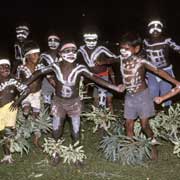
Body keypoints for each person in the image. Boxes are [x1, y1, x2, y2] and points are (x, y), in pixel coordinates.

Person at [22, 42, 123, 165]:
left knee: (76, 131)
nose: (71, 53)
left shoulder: (80, 68)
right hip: (59, 102)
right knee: (56, 130)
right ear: (60, 54)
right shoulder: (55, 66)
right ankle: (56, 153)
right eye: (67, 51)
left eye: (73, 51)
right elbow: (37, 73)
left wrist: (115, 87)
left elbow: (96, 78)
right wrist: (22, 84)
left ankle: (76, 154)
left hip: (74, 103)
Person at [96, 32, 180, 160]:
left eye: (127, 48)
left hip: (143, 96)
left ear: (136, 49)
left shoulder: (142, 61)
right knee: (128, 124)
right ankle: (130, 150)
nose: (123, 51)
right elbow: (112, 60)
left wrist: (176, 82)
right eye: (122, 48)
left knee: (144, 125)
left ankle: (153, 145)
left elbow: (158, 71)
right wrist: (102, 61)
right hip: (130, 96)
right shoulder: (122, 58)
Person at [78, 31, 117, 113]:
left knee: (102, 98)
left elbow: (116, 58)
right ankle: (98, 117)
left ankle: (102, 120)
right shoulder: (81, 49)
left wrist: (104, 62)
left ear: (97, 39)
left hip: (103, 76)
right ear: (84, 40)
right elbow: (73, 57)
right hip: (91, 77)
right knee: (95, 99)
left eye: (94, 40)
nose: (92, 42)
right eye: (89, 40)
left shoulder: (101, 49)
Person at [143, 19, 180, 108]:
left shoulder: (167, 41)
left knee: (165, 93)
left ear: (162, 29)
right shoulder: (145, 42)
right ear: (148, 30)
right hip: (151, 72)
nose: (155, 30)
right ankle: (152, 115)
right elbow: (142, 56)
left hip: (166, 71)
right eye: (152, 28)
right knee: (152, 92)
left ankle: (167, 114)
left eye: (158, 28)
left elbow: (178, 48)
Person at [0, 58, 29, 163]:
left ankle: (7, 156)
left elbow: (26, 90)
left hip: (10, 108)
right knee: (2, 132)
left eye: (7, 66)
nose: (4, 69)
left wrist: (17, 102)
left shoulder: (13, 79)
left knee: (6, 132)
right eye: (1, 67)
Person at [16, 40, 43, 148]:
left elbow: (49, 77)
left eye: (38, 53)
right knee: (26, 111)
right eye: (34, 54)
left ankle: (36, 139)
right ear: (27, 56)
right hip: (26, 94)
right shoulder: (21, 68)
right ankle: (23, 130)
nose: (37, 56)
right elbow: (17, 82)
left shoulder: (40, 66)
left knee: (36, 117)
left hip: (37, 94)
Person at [41, 33, 61, 110]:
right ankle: (46, 119)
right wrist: (49, 77)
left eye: (55, 40)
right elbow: (41, 68)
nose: (52, 42)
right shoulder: (43, 55)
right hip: (46, 81)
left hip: (60, 81)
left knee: (57, 102)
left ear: (59, 42)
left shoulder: (63, 54)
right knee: (46, 101)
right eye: (50, 40)